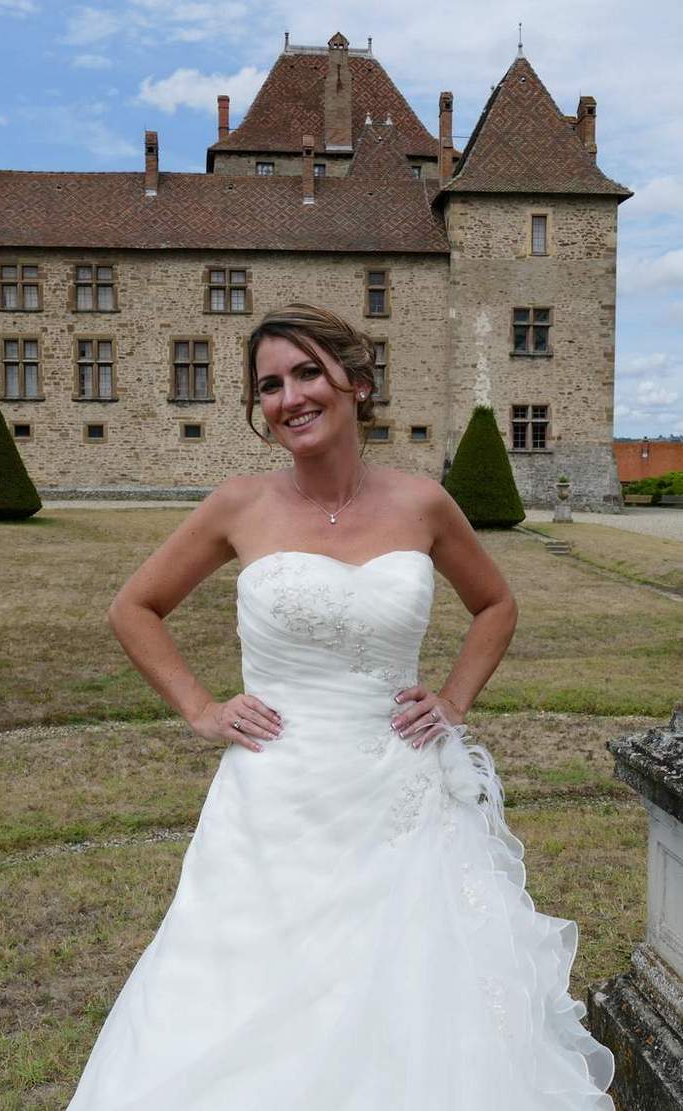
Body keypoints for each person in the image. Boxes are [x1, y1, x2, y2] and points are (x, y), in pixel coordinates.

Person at [65, 304, 615, 1110]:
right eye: (270, 386)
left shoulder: (423, 504)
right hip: (274, 799)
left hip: (402, 795)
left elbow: (495, 603)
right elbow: (133, 607)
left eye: (307, 373)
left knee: (416, 997)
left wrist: (454, 697)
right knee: (249, 994)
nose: (289, 397)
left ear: (358, 383)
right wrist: (201, 707)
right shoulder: (238, 506)